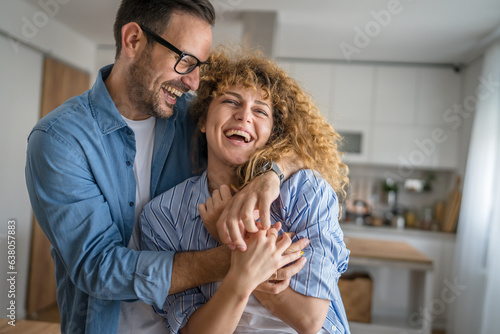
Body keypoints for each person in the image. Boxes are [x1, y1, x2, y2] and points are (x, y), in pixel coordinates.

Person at [24, 1, 307, 333]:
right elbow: (98, 267)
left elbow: (300, 150)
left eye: (199, 65)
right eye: (185, 61)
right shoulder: (60, 140)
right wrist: (240, 263)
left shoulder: (192, 119)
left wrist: (270, 175)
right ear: (132, 41)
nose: (193, 81)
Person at [140, 48, 351, 334]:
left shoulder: (305, 191)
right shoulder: (164, 215)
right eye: (230, 101)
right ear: (203, 120)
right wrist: (243, 269)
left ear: (272, 132)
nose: (244, 116)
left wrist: (231, 239)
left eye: (260, 110)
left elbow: (310, 320)